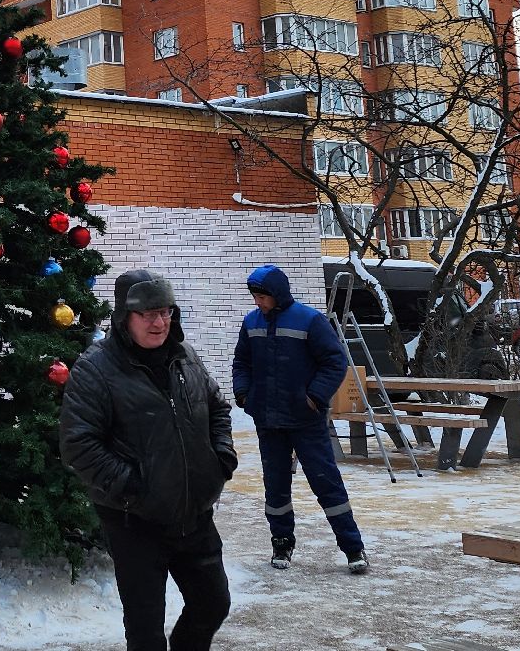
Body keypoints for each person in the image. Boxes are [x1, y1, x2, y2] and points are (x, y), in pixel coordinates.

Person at [61, 268, 236, 651]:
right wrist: (132, 485)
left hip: (193, 511)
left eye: (166, 312)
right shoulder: (96, 369)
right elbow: (79, 444)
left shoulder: (185, 357)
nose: (159, 323)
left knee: (213, 603)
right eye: (148, 314)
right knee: (145, 627)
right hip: (133, 519)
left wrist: (220, 457)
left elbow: (218, 408)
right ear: (125, 317)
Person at [230, 263, 367, 575]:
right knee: (275, 487)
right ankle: (281, 543)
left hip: (306, 420)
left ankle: (352, 547)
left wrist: (315, 397)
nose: (257, 302)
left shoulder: (310, 320)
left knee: (326, 483)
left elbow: (334, 362)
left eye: (262, 296)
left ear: (277, 294)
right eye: (254, 296)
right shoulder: (251, 322)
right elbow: (242, 362)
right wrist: (243, 393)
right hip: (268, 421)